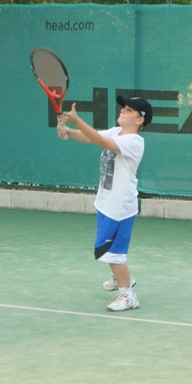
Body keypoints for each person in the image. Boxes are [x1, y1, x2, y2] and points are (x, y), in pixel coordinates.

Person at [57, 96, 152, 312]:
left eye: (129, 110)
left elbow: (100, 141)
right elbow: (91, 137)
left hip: (119, 208)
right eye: (124, 108)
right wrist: (69, 132)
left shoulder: (135, 141)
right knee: (108, 249)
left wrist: (76, 120)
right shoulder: (116, 131)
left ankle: (128, 295)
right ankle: (120, 276)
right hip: (105, 203)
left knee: (113, 252)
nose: (123, 111)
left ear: (140, 120)